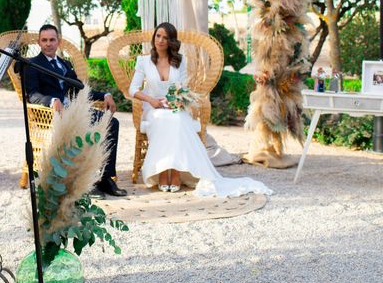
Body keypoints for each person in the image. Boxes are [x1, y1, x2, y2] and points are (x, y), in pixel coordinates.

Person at [129, 22, 272, 197]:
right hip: (153, 108)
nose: (160, 40)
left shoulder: (179, 61)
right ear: (154, 38)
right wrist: (151, 100)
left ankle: (174, 172)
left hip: (174, 106)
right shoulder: (143, 61)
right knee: (163, 119)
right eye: (158, 36)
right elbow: (133, 89)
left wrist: (176, 101)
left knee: (179, 119)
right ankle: (160, 172)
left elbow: (182, 87)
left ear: (171, 41)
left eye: (165, 37)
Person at [23, 24, 127, 198]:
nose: (48, 44)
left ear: (58, 42)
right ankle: (84, 182)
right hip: (53, 114)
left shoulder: (65, 64)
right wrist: (52, 101)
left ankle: (105, 178)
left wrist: (105, 95)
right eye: (44, 40)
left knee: (111, 122)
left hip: (74, 111)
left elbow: (79, 90)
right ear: (39, 43)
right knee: (84, 126)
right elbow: (32, 95)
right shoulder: (32, 65)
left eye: (52, 40)